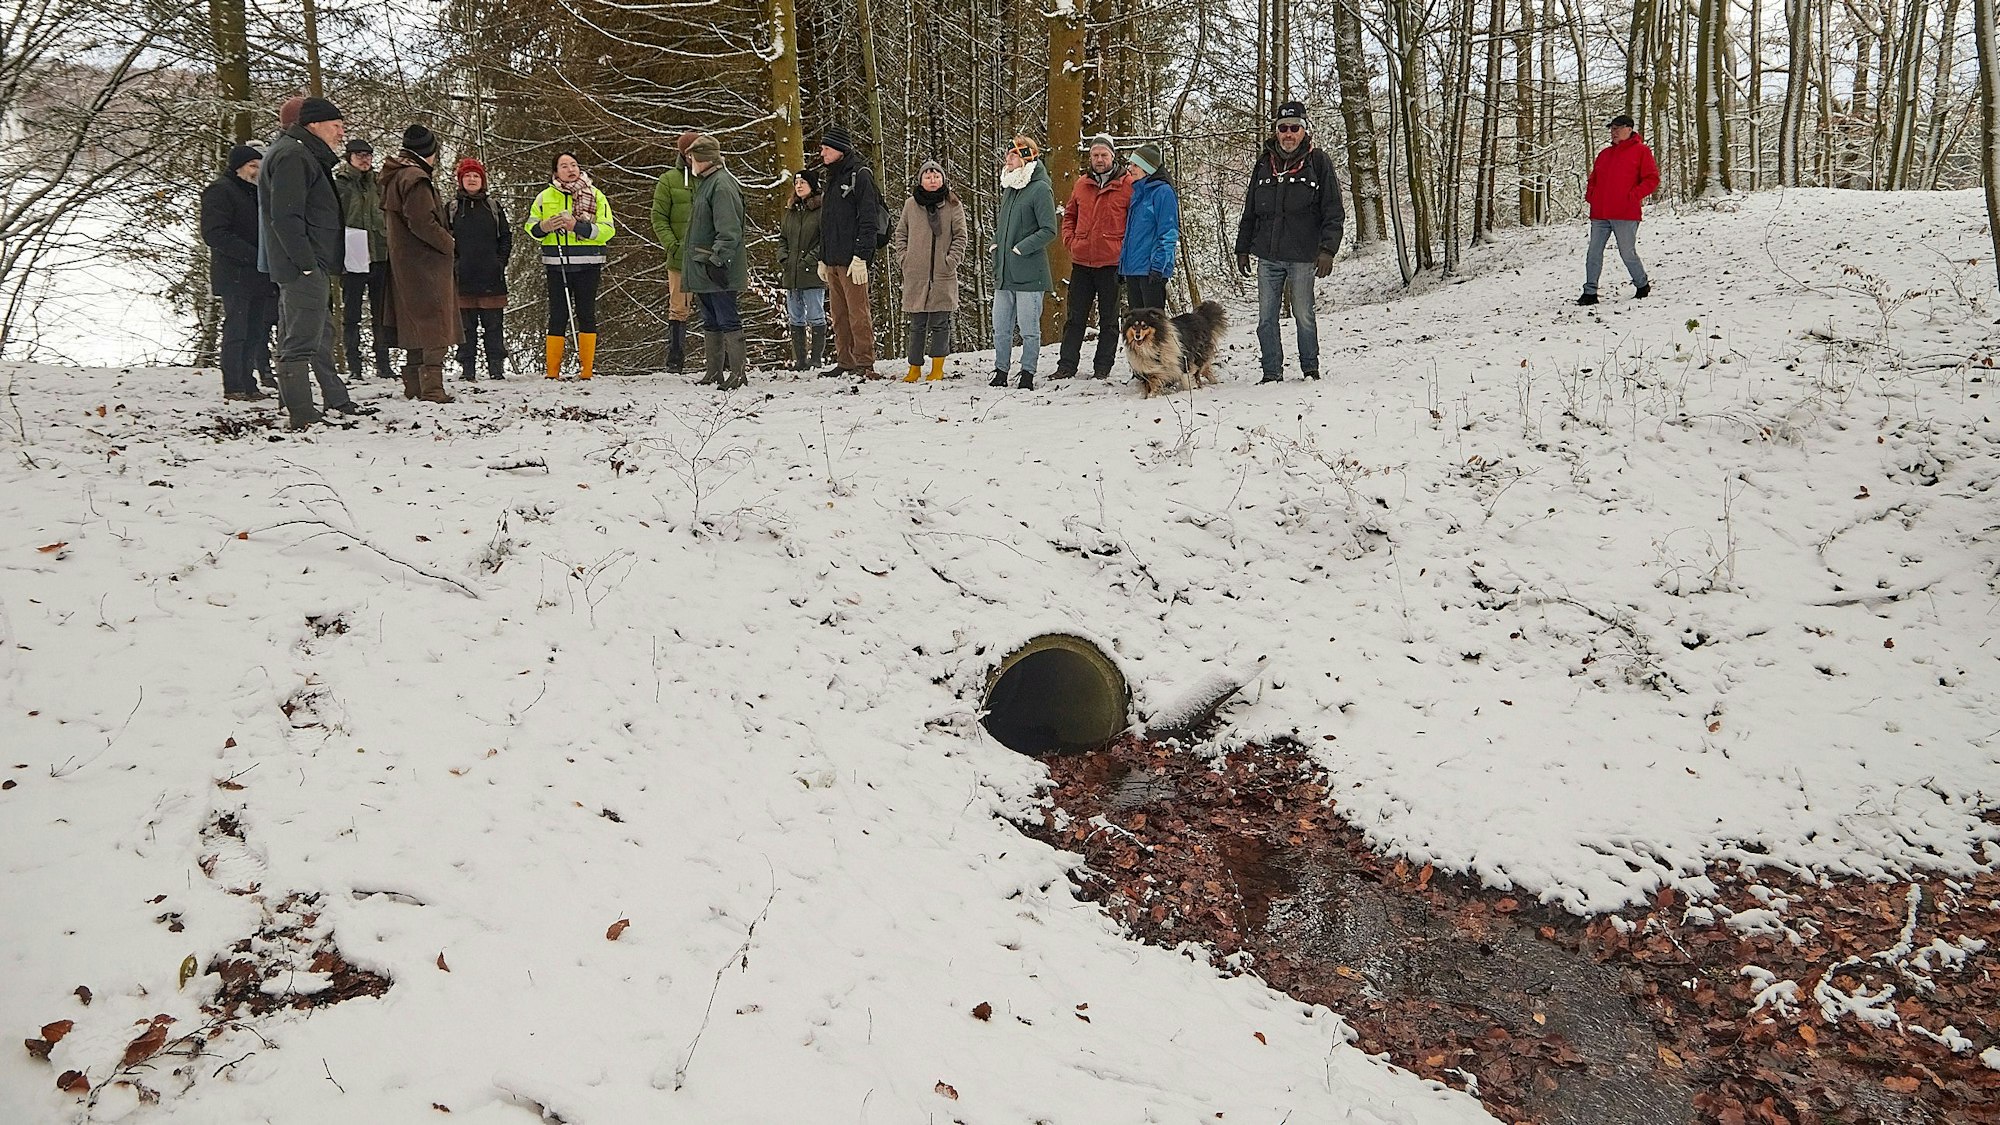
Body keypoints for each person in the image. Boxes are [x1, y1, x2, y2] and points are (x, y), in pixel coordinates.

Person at [259, 96, 368, 429]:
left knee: (317, 332)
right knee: (300, 339)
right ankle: (302, 414)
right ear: (314, 125)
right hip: (303, 265)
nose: (341, 132)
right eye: (336, 126)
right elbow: (286, 217)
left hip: (312, 262)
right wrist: (306, 263)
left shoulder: (300, 153)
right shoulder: (292, 155)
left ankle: (324, 402)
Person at [1234, 99, 1343, 384]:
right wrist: (1242, 248)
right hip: (1268, 255)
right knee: (1266, 319)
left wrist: (1328, 250)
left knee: (1303, 315)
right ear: (1276, 131)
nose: (1288, 133)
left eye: (1294, 127)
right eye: (1283, 128)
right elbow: (1250, 210)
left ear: (1303, 130)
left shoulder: (1318, 162)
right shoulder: (1264, 163)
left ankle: (1310, 369)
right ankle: (1271, 372)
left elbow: (1333, 210)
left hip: (1303, 255)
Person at [379, 124, 459, 404]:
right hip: (425, 261)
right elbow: (423, 222)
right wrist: (449, 244)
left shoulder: (395, 176)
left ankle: (413, 384)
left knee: (414, 321)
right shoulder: (415, 178)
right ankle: (433, 388)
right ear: (430, 152)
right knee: (435, 321)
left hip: (404, 262)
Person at [525, 152, 614, 380]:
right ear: (555, 172)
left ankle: (586, 370)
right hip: (557, 264)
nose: (570, 169)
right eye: (564, 166)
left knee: (586, 313)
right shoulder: (544, 197)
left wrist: (578, 227)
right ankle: (552, 371)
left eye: (574, 164)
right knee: (558, 315)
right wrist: (544, 227)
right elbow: (531, 227)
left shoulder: (596, 195)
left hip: (589, 262)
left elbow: (608, 229)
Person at [1054, 134, 1134, 381]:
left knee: (1109, 320)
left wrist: (1121, 248)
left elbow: (1134, 222)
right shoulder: (1081, 184)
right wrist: (1071, 241)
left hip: (1111, 263)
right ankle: (1066, 366)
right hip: (1082, 262)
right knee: (1074, 318)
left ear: (1113, 156)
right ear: (1090, 158)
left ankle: (1103, 367)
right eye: (1095, 155)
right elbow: (1069, 216)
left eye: (1104, 155)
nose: (1099, 159)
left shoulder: (1127, 185)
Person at [201, 144, 276, 403]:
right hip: (235, 273)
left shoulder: (256, 193)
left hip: (258, 273)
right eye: (252, 166)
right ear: (238, 167)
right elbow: (215, 234)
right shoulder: (221, 191)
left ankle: (248, 383)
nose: (257, 171)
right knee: (237, 330)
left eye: (259, 166)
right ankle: (233, 384)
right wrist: (253, 254)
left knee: (255, 331)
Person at [989, 135, 1057, 390]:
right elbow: (1003, 225)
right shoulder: (1009, 187)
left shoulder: (1040, 188)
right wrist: (997, 244)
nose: (1008, 158)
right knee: (1001, 326)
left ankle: (1027, 372)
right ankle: (1000, 370)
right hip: (1004, 271)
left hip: (1029, 271)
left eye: (1013, 154)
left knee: (1028, 329)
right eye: (1008, 154)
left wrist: (1020, 248)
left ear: (1027, 157)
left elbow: (1049, 229)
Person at [681, 134, 749, 390]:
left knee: (727, 318)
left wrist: (718, 261)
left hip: (716, 266)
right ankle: (714, 372)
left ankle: (738, 373)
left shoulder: (721, 185)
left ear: (702, 158)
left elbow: (729, 230)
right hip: (704, 265)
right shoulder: (709, 183)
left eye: (692, 157)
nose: (689, 163)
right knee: (711, 319)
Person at [890, 159, 966, 383]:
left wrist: (950, 260)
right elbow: (900, 233)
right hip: (916, 274)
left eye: (936, 176)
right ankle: (914, 368)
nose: (933, 180)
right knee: (917, 325)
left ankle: (937, 368)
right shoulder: (911, 205)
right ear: (920, 180)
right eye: (928, 176)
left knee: (941, 323)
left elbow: (961, 236)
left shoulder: (953, 204)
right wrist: (904, 258)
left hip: (943, 274)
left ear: (943, 179)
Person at [815, 125, 882, 379]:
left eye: (826, 148)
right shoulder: (831, 178)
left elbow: (869, 220)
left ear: (840, 150)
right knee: (838, 315)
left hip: (852, 259)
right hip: (832, 258)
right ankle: (845, 360)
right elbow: (826, 222)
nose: (822, 153)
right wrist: (823, 256)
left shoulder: (860, 175)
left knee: (858, 313)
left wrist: (861, 256)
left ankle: (865, 362)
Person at [1578, 114, 1658, 306]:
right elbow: (1593, 179)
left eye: (1617, 128)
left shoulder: (1641, 151)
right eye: (1611, 129)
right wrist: (1592, 195)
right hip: (1600, 213)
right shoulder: (1604, 154)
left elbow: (1652, 179)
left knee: (1627, 252)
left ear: (1628, 129)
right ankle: (1590, 292)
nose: (1613, 132)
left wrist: (1632, 196)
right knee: (1593, 253)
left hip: (1625, 213)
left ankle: (1642, 284)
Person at [333, 138, 392, 381]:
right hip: (352, 255)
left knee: (381, 313)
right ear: (349, 158)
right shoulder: (340, 185)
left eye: (368, 155)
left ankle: (383, 364)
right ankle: (354, 364)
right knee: (352, 314)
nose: (365, 159)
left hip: (379, 254)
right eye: (359, 155)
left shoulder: (380, 183)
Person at [447, 156, 511, 381]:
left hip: (491, 278)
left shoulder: (493, 207)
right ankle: (468, 370)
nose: (472, 179)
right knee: (466, 329)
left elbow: (505, 237)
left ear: (482, 180)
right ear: (460, 180)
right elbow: (444, 240)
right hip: (462, 278)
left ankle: (496, 369)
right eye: (468, 176)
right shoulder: (451, 208)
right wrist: (454, 265)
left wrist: (499, 262)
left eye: (476, 176)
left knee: (494, 327)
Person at [650, 132, 700, 372]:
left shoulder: (713, 178)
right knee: (678, 308)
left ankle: (723, 359)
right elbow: (658, 217)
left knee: (717, 306)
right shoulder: (668, 180)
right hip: (679, 255)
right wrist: (672, 244)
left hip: (709, 255)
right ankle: (675, 360)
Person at [1119, 141, 1181, 313]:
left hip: (1151, 270)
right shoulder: (1138, 192)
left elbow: (1168, 232)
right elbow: (1131, 234)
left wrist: (1158, 266)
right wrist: (1123, 266)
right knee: (1137, 326)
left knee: (1155, 328)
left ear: (1148, 168)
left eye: (1135, 165)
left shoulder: (1163, 192)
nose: (1130, 168)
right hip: (1134, 269)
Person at [778, 170, 828, 371]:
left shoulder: (821, 210)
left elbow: (825, 239)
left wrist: (810, 259)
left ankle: (816, 358)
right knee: (795, 316)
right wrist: (783, 257)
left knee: (816, 315)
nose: (799, 186)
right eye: (796, 182)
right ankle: (800, 360)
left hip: (812, 271)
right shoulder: (791, 211)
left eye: (803, 182)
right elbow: (783, 238)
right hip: (792, 272)